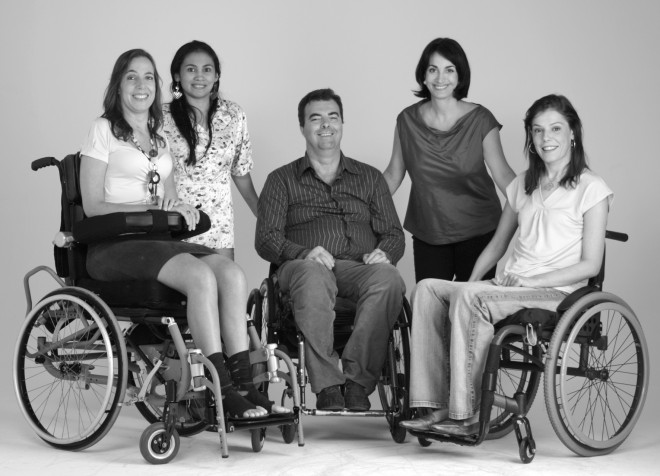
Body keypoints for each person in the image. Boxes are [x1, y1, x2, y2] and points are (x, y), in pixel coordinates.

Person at [79, 48, 286, 419]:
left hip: (154, 242)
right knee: (200, 277)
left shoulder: (158, 136)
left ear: (157, 84)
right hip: (114, 246)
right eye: (131, 77)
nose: (141, 85)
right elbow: (93, 205)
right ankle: (221, 390)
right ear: (118, 85)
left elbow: (168, 196)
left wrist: (180, 208)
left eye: (148, 77)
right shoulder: (103, 129)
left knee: (232, 274)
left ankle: (246, 387)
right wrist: (148, 210)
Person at [399, 94, 613, 435]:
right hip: (511, 287)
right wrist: (469, 283)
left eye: (556, 129)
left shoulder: (591, 188)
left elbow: (590, 264)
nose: (546, 138)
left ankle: (465, 415)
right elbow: (497, 246)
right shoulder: (524, 185)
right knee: (427, 290)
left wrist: (532, 282)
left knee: (471, 299)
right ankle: (434, 405)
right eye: (538, 130)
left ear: (573, 132)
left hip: (557, 292)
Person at [256, 88, 406, 411]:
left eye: (332, 117)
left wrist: (386, 252)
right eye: (316, 118)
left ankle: (357, 383)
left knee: (389, 278)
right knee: (313, 273)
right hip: (301, 268)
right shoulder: (281, 180)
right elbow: (266, 238)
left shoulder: (370, 178)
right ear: (302, 127)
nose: (326, 125)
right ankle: (327, 386)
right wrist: (303, 253)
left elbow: (394, 233)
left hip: (357, 269)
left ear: (342, 124)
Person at [383, 37, 516, 283]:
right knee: (430, 303)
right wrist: (358, 203)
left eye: (449, 70)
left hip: (479, 230)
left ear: (459, 75)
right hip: (429, 231)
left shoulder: (481, 119)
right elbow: (393, 174)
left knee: (470, 305)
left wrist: (536, 205)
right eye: (433, 69)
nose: (440, 78)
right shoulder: (406, 121)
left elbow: (503, 174)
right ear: (423, 76)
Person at [163, 40, 258, 261]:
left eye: (207, 69)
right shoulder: (160, 117)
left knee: (227, 281)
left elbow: (240, 171)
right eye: (191, 69)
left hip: (219, 227)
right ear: (177, 75)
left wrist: (260, 213)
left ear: (216, 76)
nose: (199, 76)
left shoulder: (233, 114)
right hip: (175, 223)